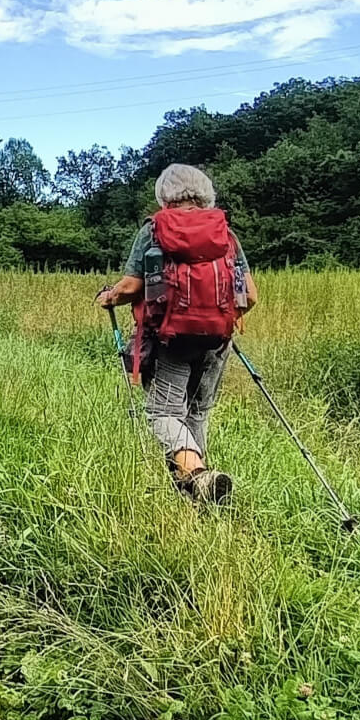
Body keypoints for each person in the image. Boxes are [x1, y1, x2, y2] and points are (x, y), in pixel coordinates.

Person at [97, 163, 255, 504]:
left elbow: (130, 287)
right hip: (217, 340)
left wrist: (109, 297)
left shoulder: (155, 230)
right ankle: (200, 492)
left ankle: (197, 477)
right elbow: (250, 296)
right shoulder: (224, 234)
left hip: (170, 339)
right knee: (197, 412)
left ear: (163, 195)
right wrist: (217, 318)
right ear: (205, 192)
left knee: (163, 413)